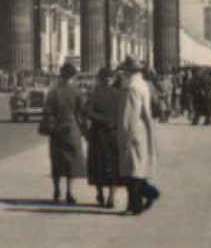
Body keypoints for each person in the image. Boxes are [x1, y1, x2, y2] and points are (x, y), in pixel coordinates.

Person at [116, 57, 160, 215]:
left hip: (133, 132)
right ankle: (136, 203)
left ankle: (138, 202)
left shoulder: (131, 88)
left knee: (131, 172)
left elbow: (130, 114)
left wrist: (125, 135)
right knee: (136, 170)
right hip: (141, 131)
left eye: (124, 70)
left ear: (129, 71)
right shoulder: (142, 84)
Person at [42, 62, 87, 204]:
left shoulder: (53, 91)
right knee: (71, 162)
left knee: (56, 161)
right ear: (73, 76)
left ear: (61, 75)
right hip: (71, 130)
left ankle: (56, 190)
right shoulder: (77, 92)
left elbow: (47, 110)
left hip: (57, 129)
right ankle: (69, 192)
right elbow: (82, 112)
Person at [84, 68, 123, 209]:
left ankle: (100, 193)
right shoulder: (118, 94)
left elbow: (87, 111)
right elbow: (122, 114)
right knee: (113, 166)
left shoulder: (95, 94)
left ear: (100, 79)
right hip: (113, 133)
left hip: (97, 133)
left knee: (97, 165)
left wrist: (100, 119)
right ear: (111, 79)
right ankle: (111, 196)